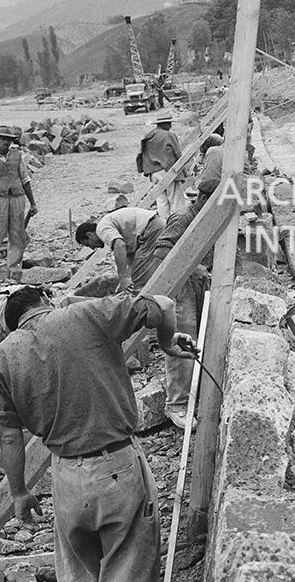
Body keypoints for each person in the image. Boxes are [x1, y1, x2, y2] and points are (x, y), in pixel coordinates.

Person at [0, 284, 197, 582]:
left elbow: (9, 438)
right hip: (115, 464)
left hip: (63, 475)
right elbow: (164, 304)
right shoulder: (84, 315)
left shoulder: (2, 357)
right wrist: (166, 344)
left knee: (79, 578)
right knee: (127, 572)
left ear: (14, 323)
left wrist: (18, 493)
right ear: (43, 302)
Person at [148, 189, 211, 430]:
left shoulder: (205, 216)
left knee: (197, 340)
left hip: (197, 282)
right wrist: (192, 269)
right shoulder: (183, 218)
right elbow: (161, 252)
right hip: (181, 285)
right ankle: (177, 404)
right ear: (204, 198)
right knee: (182, 340)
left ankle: (195, 396)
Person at [0, 125, 38, 284]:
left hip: (17, 199)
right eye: (3, 139)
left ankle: (14, 275)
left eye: (9, 140)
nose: (6, 143)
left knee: (18, 237)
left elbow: (25, 180)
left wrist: (32, 203)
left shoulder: (18, 156)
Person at [75, 206, 163, 293]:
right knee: (141, 271)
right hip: (155, 225)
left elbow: (120, 245)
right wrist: (129, 277)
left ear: (89, 234)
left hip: (152, 228)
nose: (92, 248)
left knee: (143, 272)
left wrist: (122, 276)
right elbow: (130, 258)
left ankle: (149, 299)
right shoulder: (111, 227)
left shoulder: (101, 229)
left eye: (88, 244)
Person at [138, 110, 184, 219]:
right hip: (166, 171)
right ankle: (179, 222)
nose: (171, 125)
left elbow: (142, 154)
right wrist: (184, 172)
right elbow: (178, 153)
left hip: (153, 173)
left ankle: (164, 224)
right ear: (164, 124)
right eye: (169, 123)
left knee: (161, 200)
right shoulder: (169, 135)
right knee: (175, 198)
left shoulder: (149, 135)